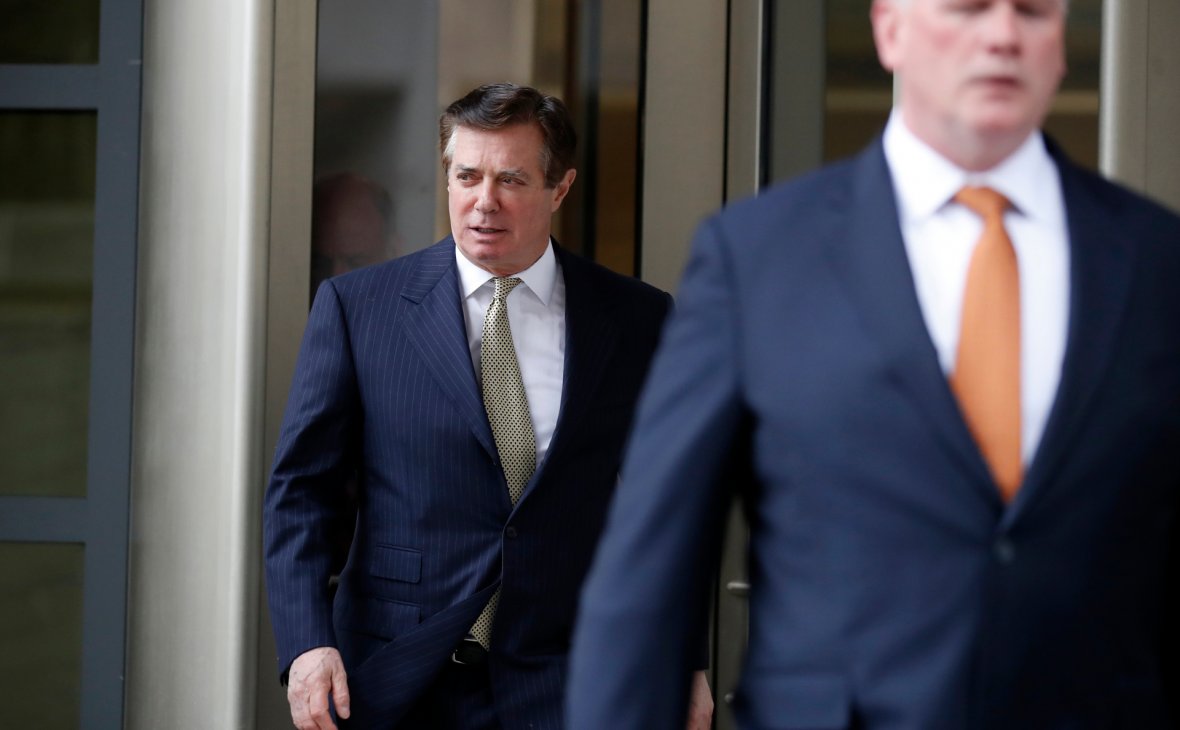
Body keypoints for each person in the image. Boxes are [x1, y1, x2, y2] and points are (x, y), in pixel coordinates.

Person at [568, 1, 1180, 728]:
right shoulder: (758, 257)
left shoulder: (1154, 259)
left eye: (1032, 11)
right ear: (890, 29)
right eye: (968, 7)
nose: (1003, 34)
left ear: (1060, 43)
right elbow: (648, 574)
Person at [264, 83, 712, 730]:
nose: (483, 202)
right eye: (467, 176)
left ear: (560, 189)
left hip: (569, 679)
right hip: (397, 675)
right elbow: (302, 492)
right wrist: (308, 642)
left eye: (512, 180)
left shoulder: (635, 318)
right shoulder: (359, 309)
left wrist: (685, 659)